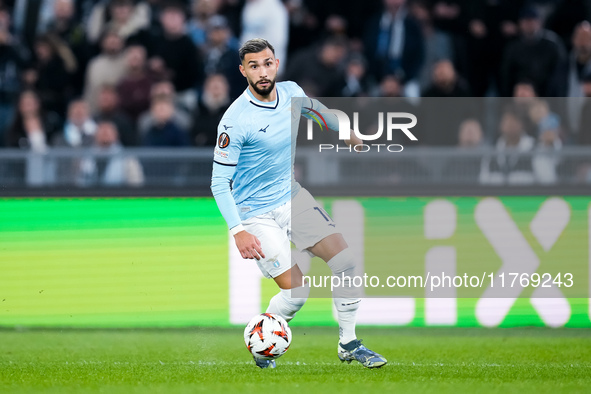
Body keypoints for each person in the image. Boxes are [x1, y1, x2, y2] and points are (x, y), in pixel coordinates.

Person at [210, 38, 387, 369]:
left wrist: (346, 130)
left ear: (276, 64)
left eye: (266, 63)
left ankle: (348, 343)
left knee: (346, 262)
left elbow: (321, 113)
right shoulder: (235, 120)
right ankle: (262, 344)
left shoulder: (291, 92)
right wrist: (238, 231)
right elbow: (219, 183)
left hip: (291, 196)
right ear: (243, 71)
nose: (262, 72)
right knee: (297, 295)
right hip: (255, 213)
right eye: (253, 66)